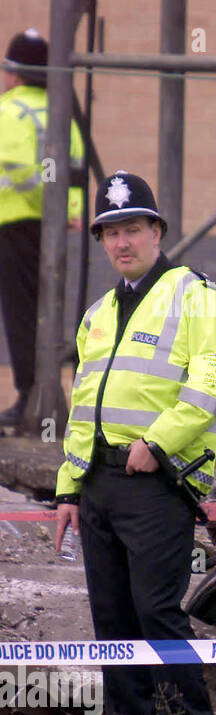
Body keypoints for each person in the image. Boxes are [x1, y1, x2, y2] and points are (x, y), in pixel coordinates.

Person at [53, 170, 216, 715]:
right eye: (110, 234)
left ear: (156, 232)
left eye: (132, 229)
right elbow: (84, 408)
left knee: (157, 611)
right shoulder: (98, 313)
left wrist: (159, 444)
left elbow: (213, 381)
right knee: (112, 617)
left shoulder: (196, 294)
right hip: (99, 487)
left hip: (157, 484)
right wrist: (68, 487)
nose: (121, 243)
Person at [0, 27, 84, 428]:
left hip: (15, 225)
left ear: (14, 74)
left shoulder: (9, 110)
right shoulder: (61, 113)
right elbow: (78, 169)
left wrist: (42, 206)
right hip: (51, 232)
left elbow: (18, 172)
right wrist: (69, 211)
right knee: (45, 311)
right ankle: (45, 394)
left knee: (20, 313)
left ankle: (29, 398)